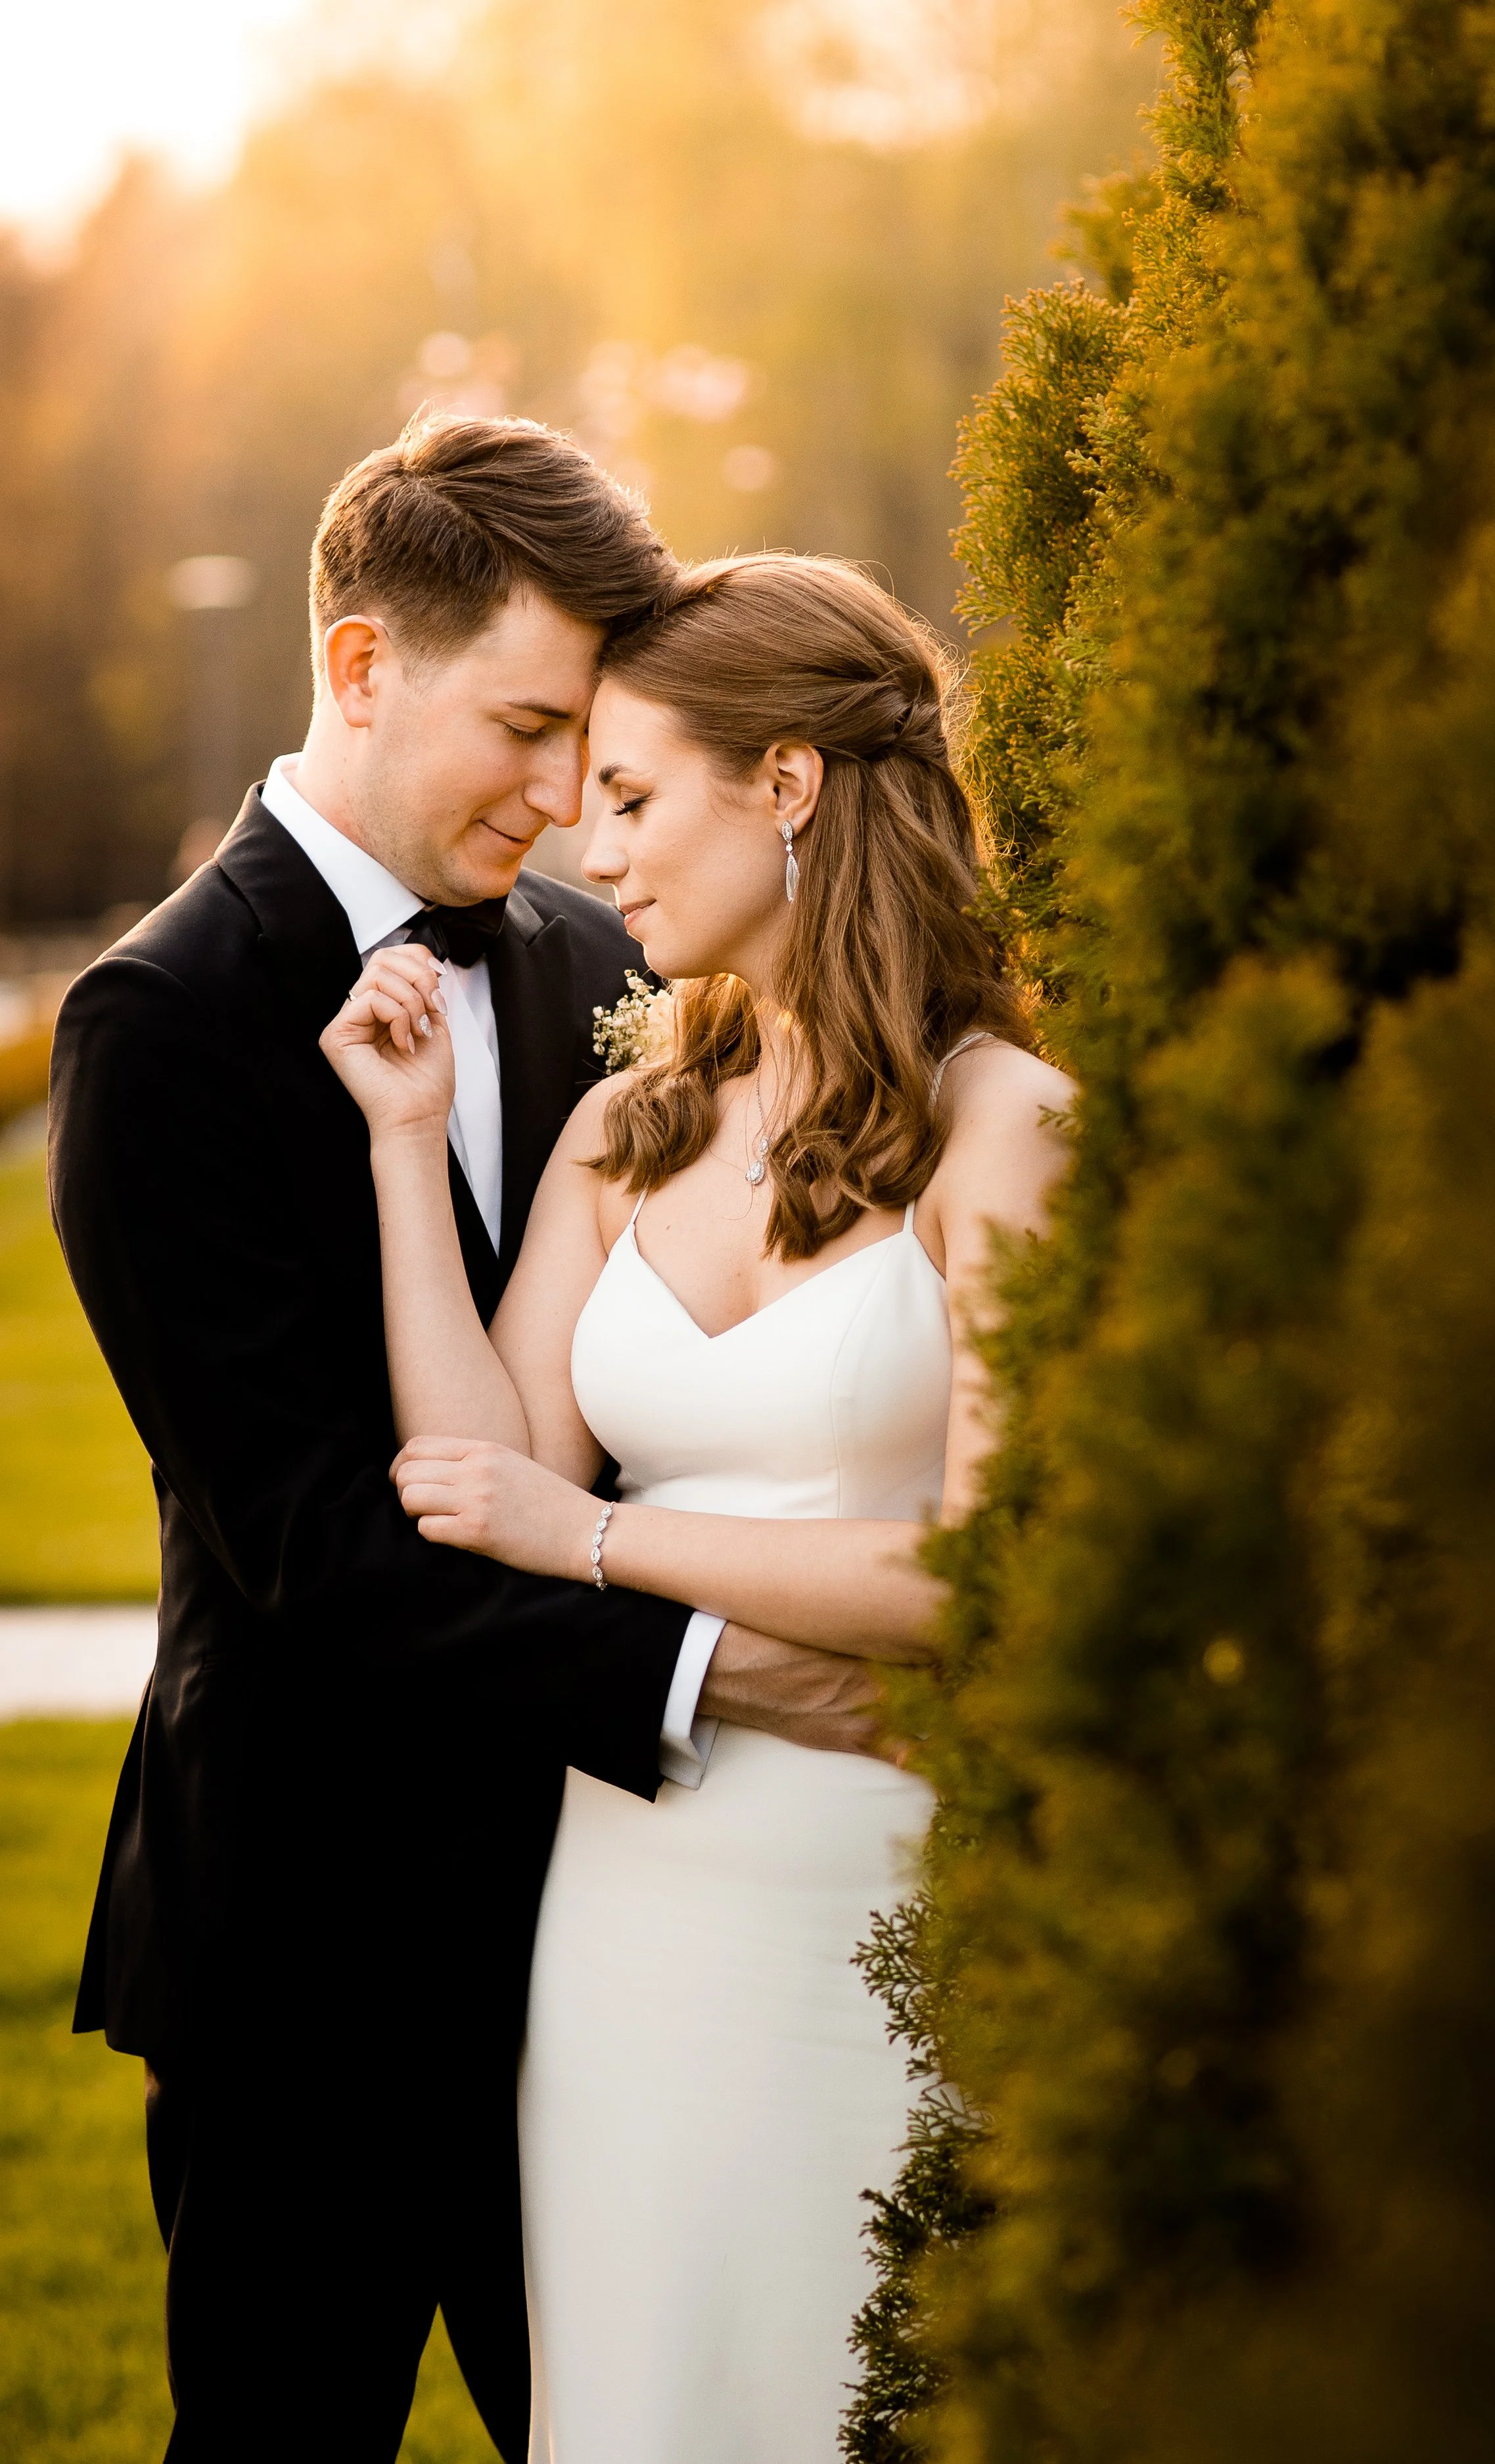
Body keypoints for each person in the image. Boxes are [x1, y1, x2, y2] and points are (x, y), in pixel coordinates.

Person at [49, 421, 875, 2464]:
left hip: (613, 1924)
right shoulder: (158, 1023)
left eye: (585, 742)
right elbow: (306, 1538)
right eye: (520, 725)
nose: (557, 797)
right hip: (303, 1952)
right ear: (355, 665)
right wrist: (709, 1671)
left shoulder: (599, 963)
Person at [321, 552, 1073, 2461]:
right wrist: (409, 1156)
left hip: (885, 1882)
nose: (596, 840)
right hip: (628, 1906)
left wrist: (591, 1543)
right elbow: (474, 1461)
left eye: (639, 793)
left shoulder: (1008, 1131)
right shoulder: (628, 1122)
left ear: (792, 782)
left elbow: (983, 1574)